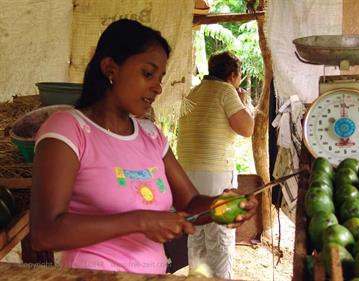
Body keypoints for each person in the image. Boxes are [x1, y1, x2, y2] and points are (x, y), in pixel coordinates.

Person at [30, 19, 257, 275]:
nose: (158, 87)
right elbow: (44, 233)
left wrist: (220, 206)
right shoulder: (68, 130)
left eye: (160, 78)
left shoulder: (150, 135)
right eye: (148, 73)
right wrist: (139, 221)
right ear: (110, 68)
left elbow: (190, 202)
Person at [177, 51, 255, 279]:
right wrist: (244, 102)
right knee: (220, 235)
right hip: (215, 175)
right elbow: (247, 129)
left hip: (187, 176)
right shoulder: (226, 91)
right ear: (233, 76)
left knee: (196, 233)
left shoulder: (195, 91)